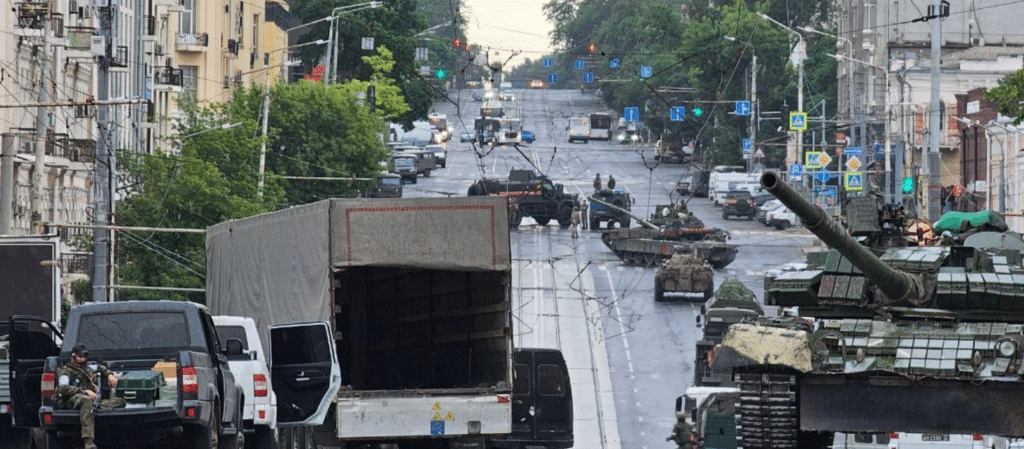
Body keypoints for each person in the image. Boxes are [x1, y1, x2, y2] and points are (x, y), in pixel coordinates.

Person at [55, 344, 124, 449]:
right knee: (86, 400)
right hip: (72, 400)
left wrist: (109, 374)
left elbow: (100, 368)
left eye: (85, 356)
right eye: (80, 356)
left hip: (90, 400)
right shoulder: (66, 371)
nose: (83, 358)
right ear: (74, 356)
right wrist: (84, 391)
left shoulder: (87, 368)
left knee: (120, 402)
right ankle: (88, 442)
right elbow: (62, 389)